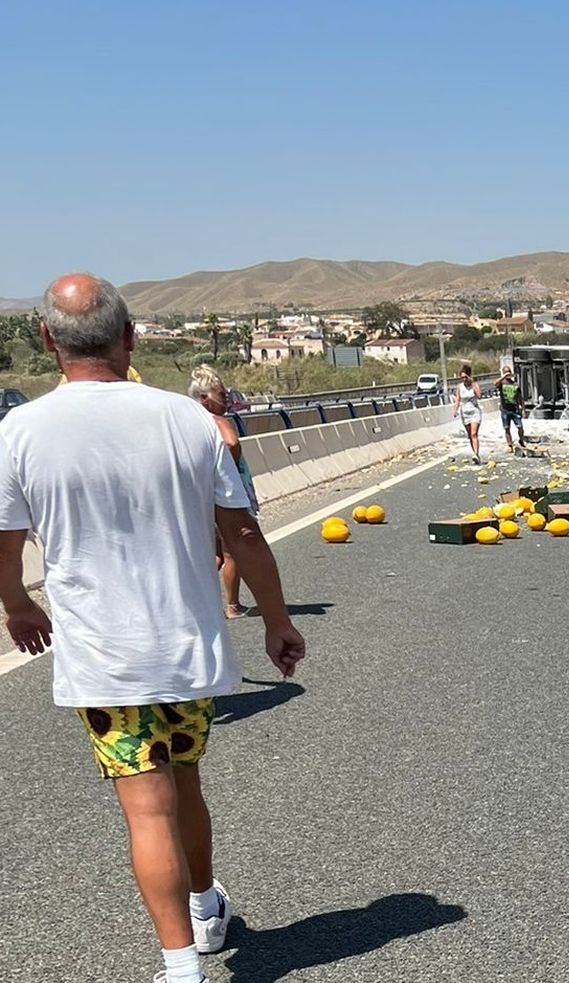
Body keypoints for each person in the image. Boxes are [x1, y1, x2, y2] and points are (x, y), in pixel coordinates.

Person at [0, 274, 305, 983]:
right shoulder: (188, 418)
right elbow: (244, 534)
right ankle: (204, 909)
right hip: (185, 645)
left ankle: (181, 967)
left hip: (103, 658)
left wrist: (16, 605)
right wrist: (278, 620)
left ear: (48, 342)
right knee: (185, 782)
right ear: (129, 336)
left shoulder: (18, 431)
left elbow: (4, 543)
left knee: (146, 804)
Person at [189, 365, 260, 619]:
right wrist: (226, 469)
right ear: (204, 398)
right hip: (225, 496)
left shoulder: (189, 423)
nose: (226, 399)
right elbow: (232, 443)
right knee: (233, 552)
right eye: (220, 394)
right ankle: (232, 605)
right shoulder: (217, 421)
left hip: (203, 495)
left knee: (215, 555)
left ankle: (198, 603)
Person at [453, 363, 483, 464]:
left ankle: (476, 454)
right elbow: (458, 399)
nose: (464, 380)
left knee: (474, 434)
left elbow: (479, 396)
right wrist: (455, 410)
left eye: (465, 377)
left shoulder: (474, 385)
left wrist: (473, 384)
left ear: (469, 376)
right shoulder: (459, 387)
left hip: (475, 411)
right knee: (470, 435)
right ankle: (475, 453)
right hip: (464, 413)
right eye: (462, 378)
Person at [497, 365, 523, 455]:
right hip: (505, 409)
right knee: (507, 428)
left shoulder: (515, 384)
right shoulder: (501, 384)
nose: (507, 373)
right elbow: (495, 383)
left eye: (508, 371)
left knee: (520, 427)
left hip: (515, 409)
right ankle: (509, 445)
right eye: (505, 372)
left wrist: (522, 408)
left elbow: (520, 397)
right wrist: (503, 377)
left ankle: (521, 440)